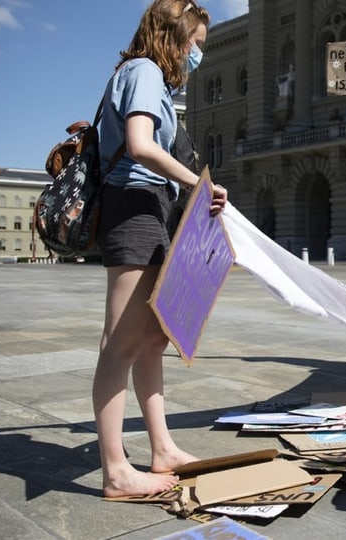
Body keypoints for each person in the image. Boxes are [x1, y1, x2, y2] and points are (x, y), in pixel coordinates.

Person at [93, 0, 228, 497]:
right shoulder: (146, 71)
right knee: (121, 344)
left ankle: (162, 448)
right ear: (174, 36)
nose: (197, 56)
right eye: (195, 44)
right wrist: (199, 184)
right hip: (133, 206)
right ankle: (115, 471)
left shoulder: (148, 78)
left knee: (152, 339)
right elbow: (140, 144)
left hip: (149, 208)